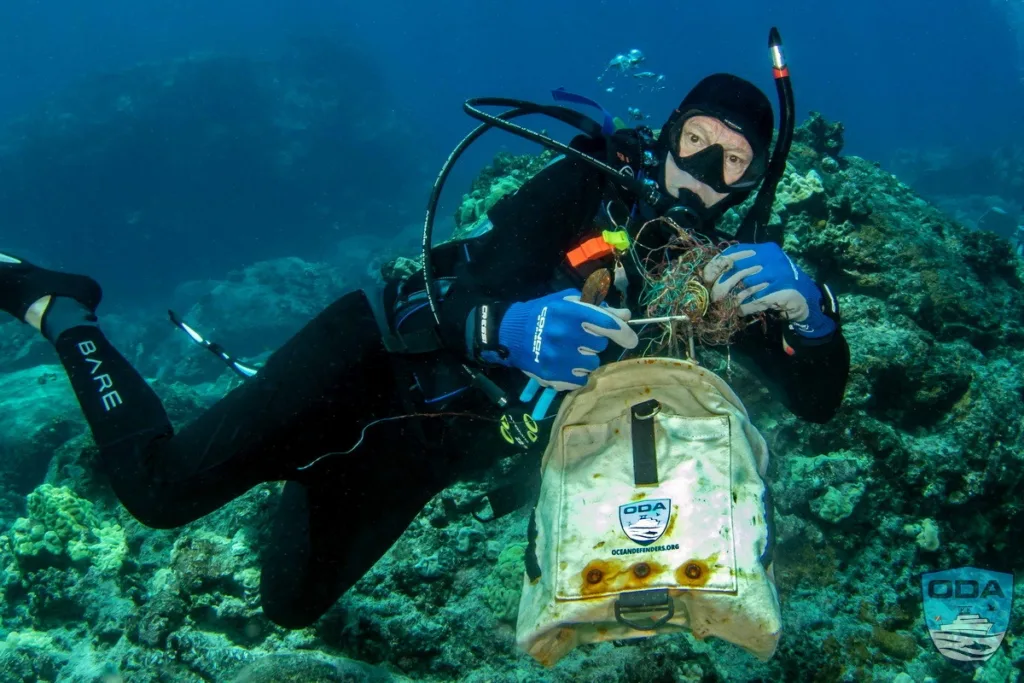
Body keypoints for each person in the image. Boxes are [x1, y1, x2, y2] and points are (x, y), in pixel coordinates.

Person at [0, 72, 849, 629]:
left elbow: (816, 397)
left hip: (428, 449)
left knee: (291, 603)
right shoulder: (581, 184)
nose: (706, 167)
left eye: (735, 160)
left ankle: (301, 464)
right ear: (667, 132)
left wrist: (811, 312)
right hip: (371, 356)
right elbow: (466, 284)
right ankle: (63, 309)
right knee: (163, 490)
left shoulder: (726, 283)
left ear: (752, 184)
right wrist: (507, 326)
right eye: (698, 139)